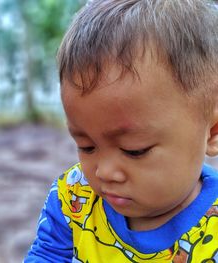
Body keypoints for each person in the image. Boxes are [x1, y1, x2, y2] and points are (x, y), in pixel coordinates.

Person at [24, 0, 218, 262]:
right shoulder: (74, 197)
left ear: (213, 132)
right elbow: (47, 253)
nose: (104, 172)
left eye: (133, 150)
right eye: (86, 145)